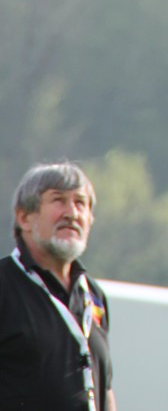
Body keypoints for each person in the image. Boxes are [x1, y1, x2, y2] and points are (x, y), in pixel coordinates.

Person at [0, 161, 116, 411]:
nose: (72, 213)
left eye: (80, 203)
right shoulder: (5, 286)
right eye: (58, 200)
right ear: (24, 217)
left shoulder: (93, 296)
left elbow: (104, 389)